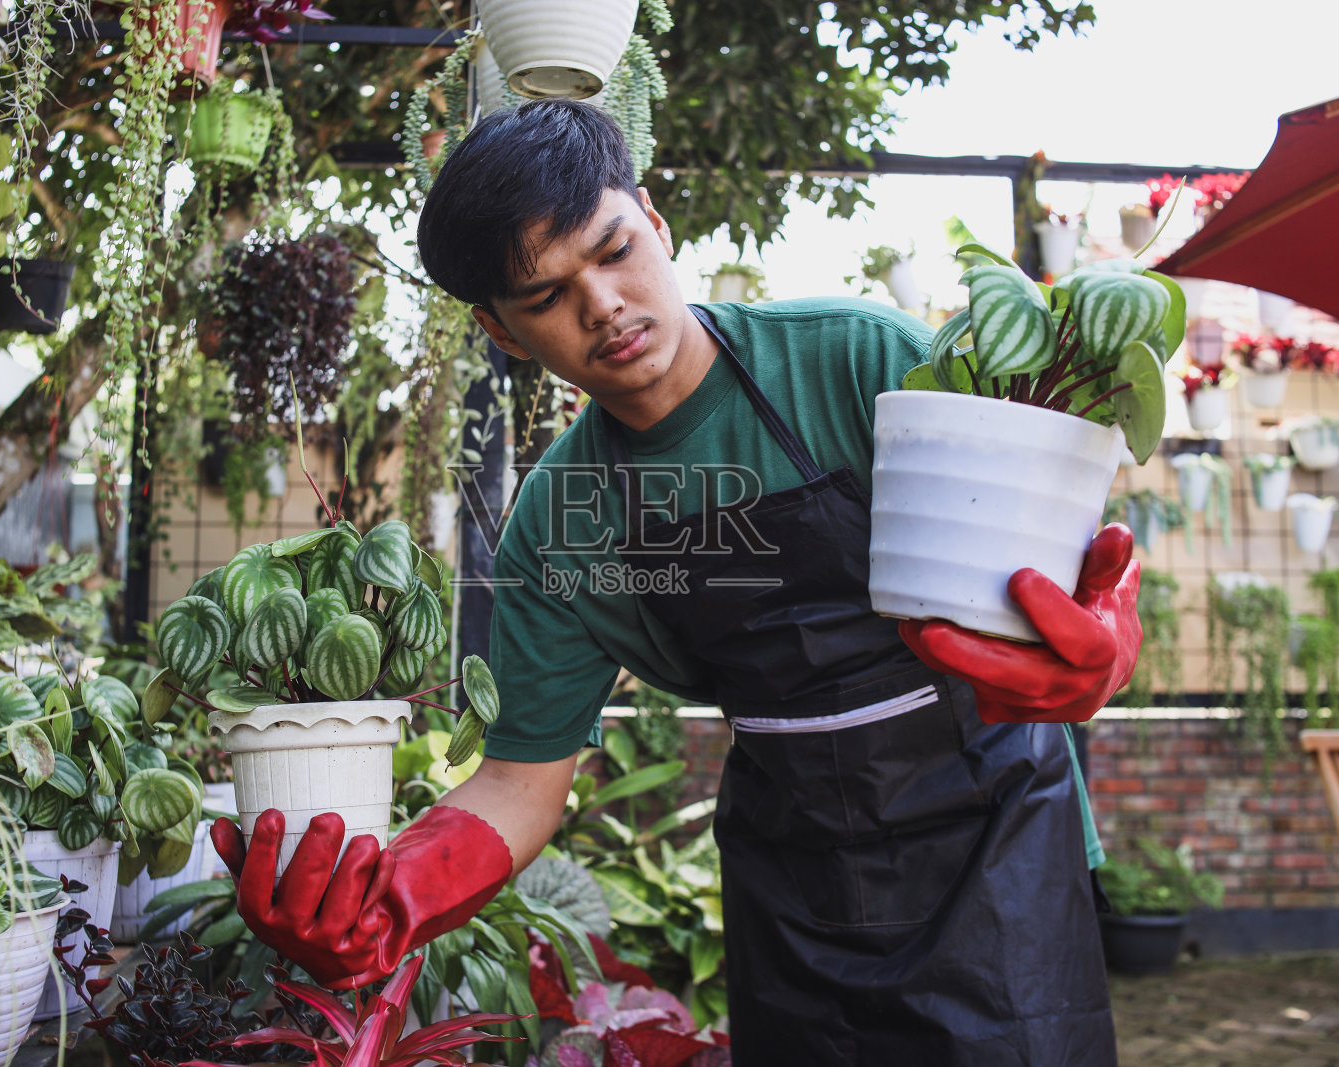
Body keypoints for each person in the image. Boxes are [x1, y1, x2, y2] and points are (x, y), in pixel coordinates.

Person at [211, 99, 1140, 1066]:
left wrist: (1102, 646)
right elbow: (521, 783)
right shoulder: (562, 523)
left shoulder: (858, 361)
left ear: (655, 222)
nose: (602, 304)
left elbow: (1060, 572)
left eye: (614, 250)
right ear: (503, 331)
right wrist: (393, 894)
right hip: (797, 890)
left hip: (994, 849)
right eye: (546, 295)